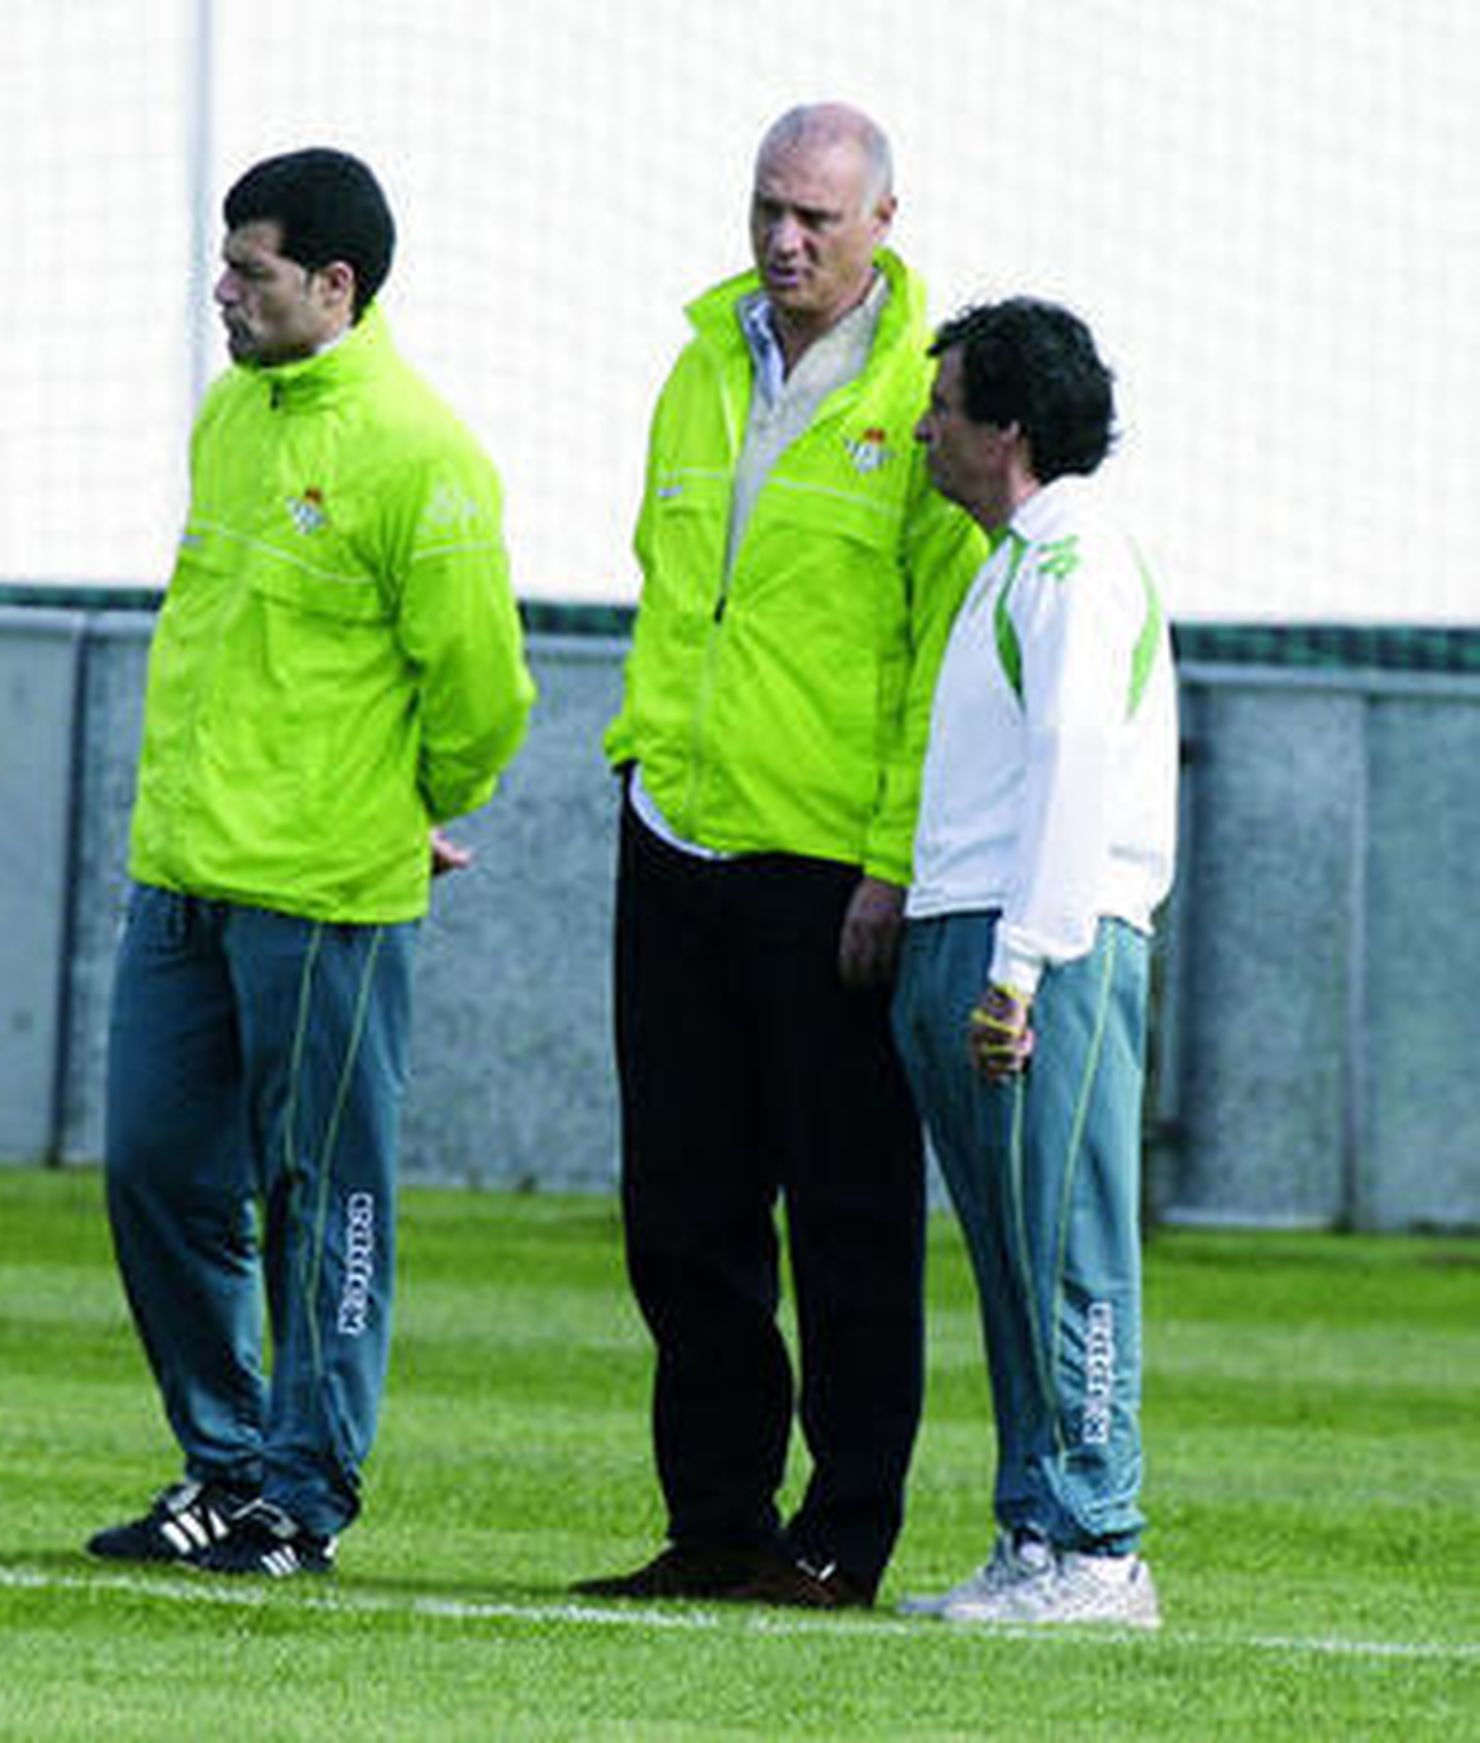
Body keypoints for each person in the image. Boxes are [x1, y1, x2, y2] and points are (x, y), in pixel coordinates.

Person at [87, 147, 535, 1578]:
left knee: (324, 1198)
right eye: (225, 264)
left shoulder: (421, 453)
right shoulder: (231, 417)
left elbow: (484, 692)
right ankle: (223, 1466)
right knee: (154, 1171)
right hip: (183, 878)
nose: (222, 292)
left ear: (334, 285)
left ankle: (304, 1492)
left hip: (329, 895)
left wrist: (410, 807)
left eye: (251, 270)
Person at [574, 103, 986, 1609]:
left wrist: (892, 861)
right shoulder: (701, 364)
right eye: (768, 207)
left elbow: (940, 662)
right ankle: (718, 1521)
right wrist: (639, 766)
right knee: (683, 1209)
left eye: (816, 215)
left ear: (884, 221)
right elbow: (669, 585)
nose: (785, 239)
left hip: (828, 866)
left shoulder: (926, 396)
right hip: (676, 834)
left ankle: (842, 1534)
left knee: (849, 1211)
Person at [893, 297, 1177, 1628]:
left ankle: (1101, 1547)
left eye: (944, 407)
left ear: (1006, 428)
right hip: (969, 928)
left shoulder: (1075, 560)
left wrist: (1021, 966)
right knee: (1012, 1257)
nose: (924, 430)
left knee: (1069, 1247)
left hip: (1041, 946)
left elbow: (1073, 763)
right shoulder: (1010, 562)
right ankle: (1035, 1530)